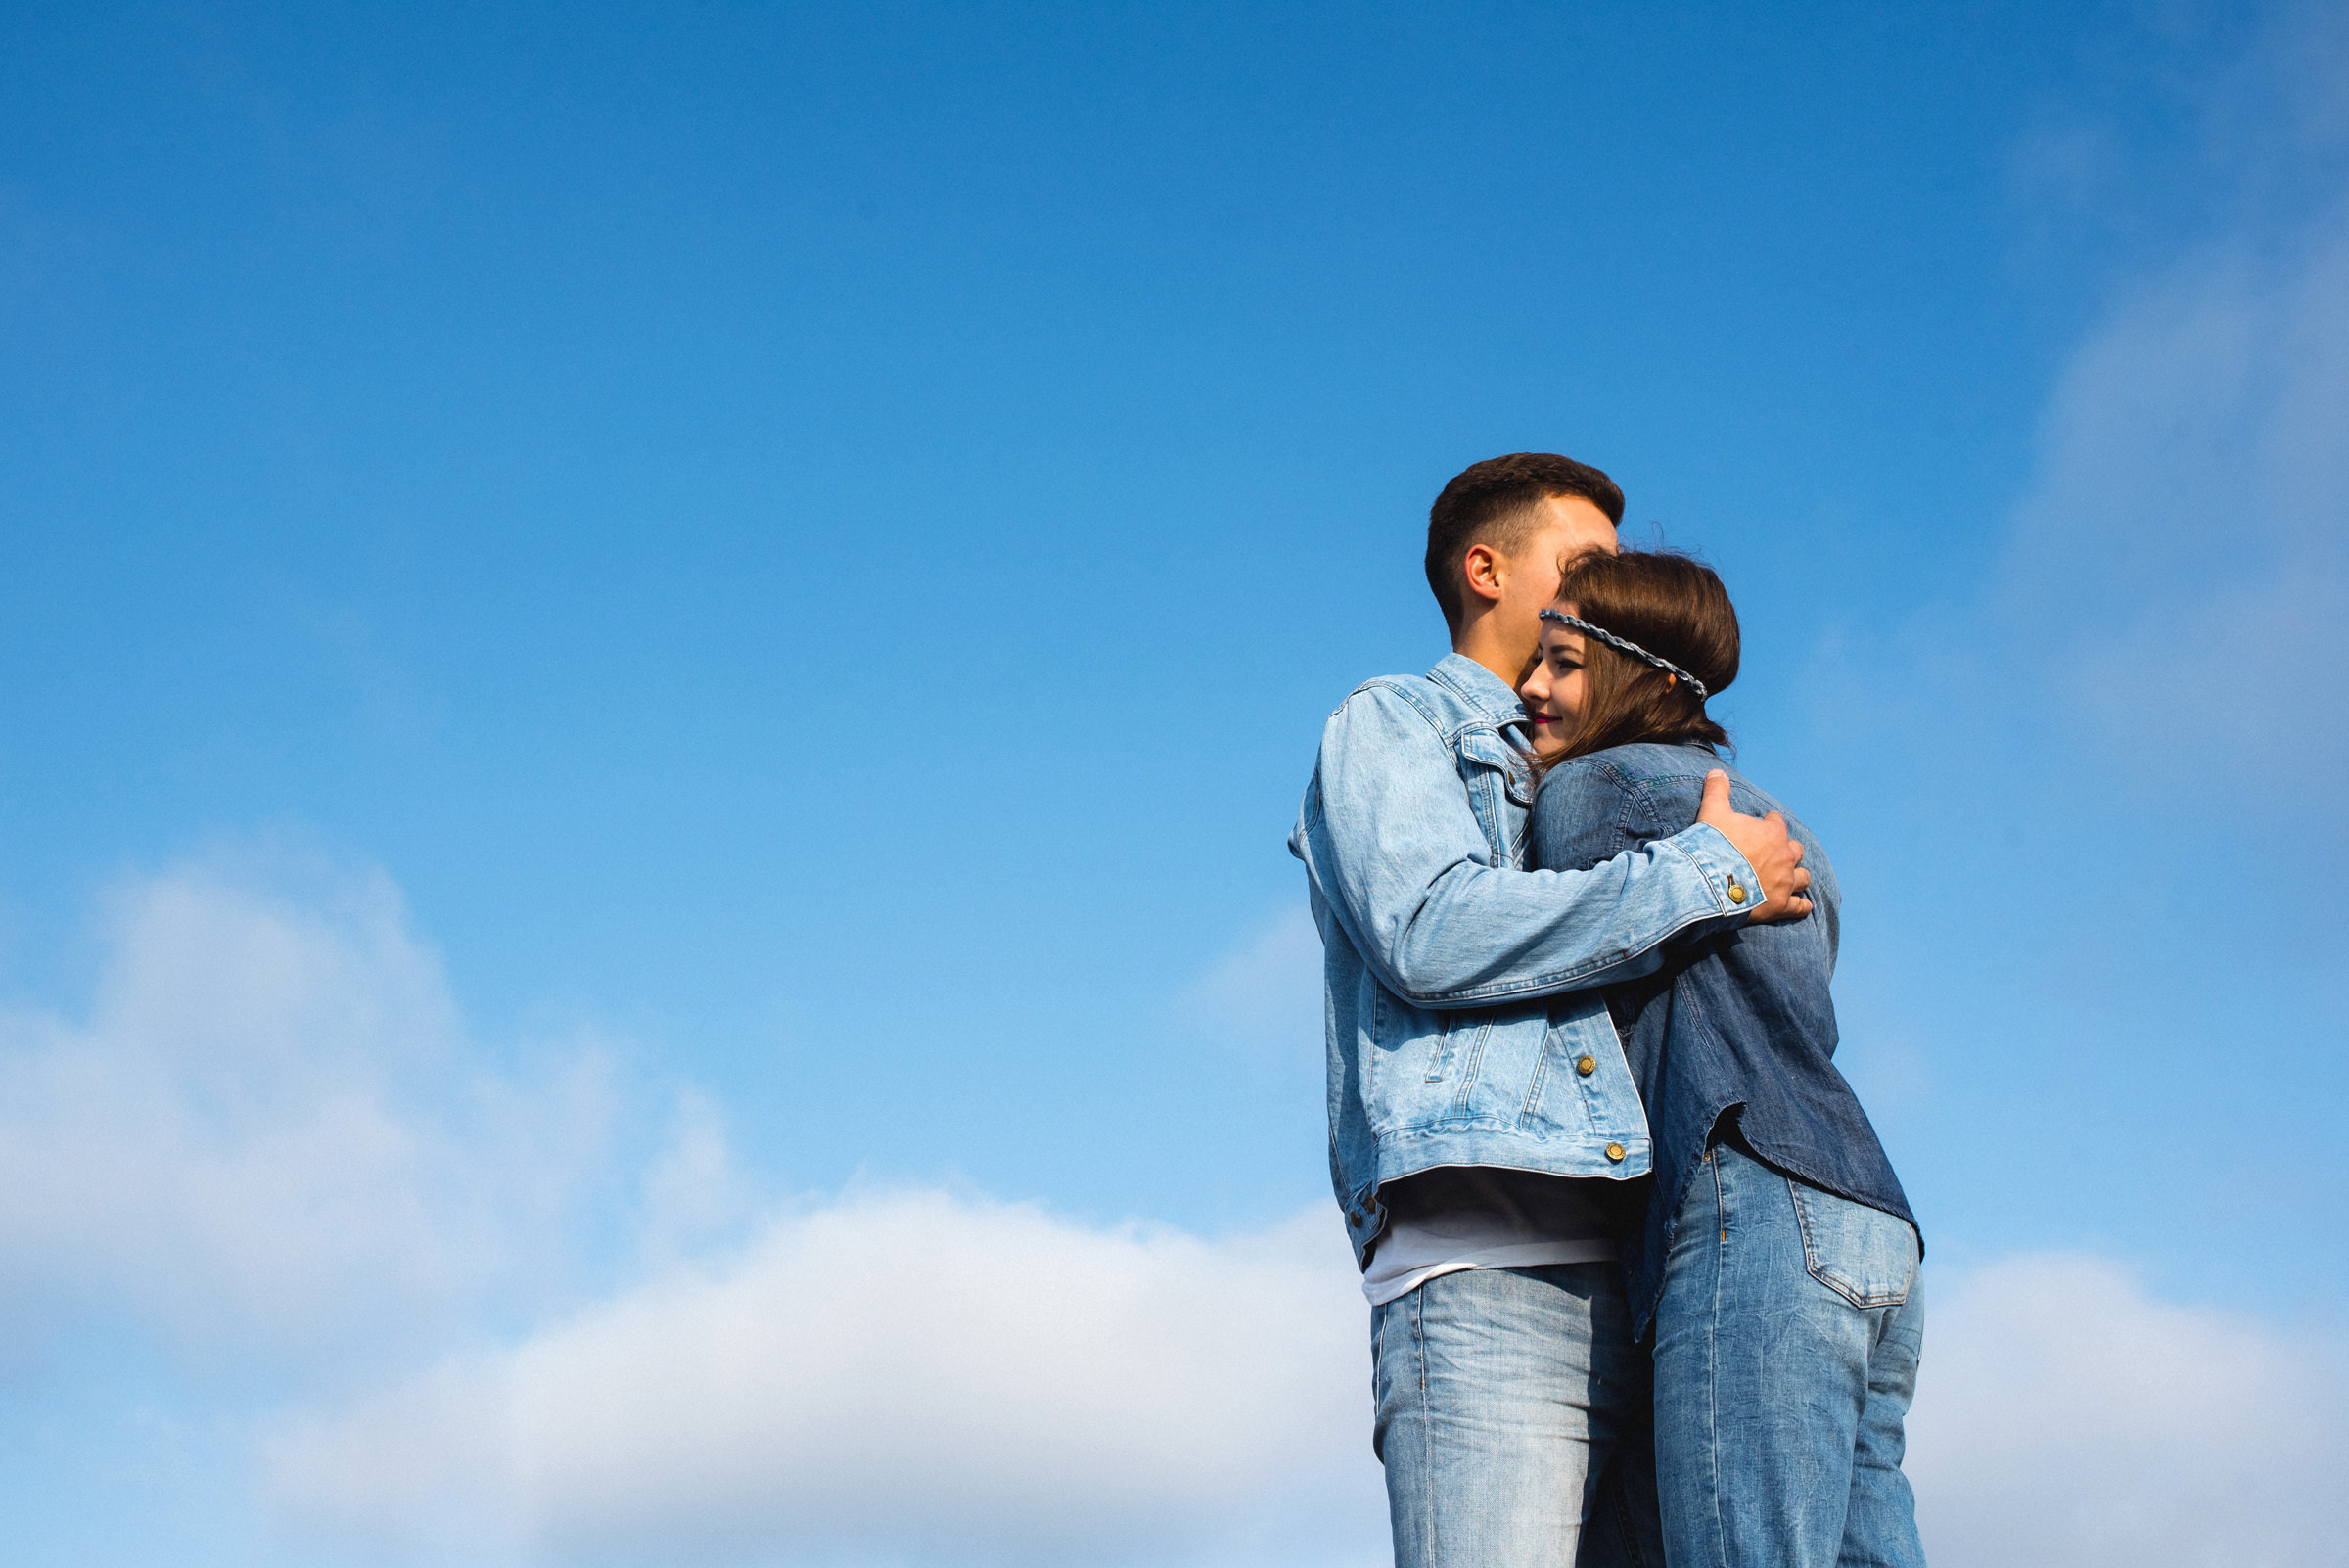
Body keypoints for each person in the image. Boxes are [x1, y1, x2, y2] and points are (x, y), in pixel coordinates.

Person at [1288, 453, 1816, 1568]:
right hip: (1486, 1281)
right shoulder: (1397, 724)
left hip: (1655, 1279)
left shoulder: (1611, 763)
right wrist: (1705, 876)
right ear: (1485, 570)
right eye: (1583, 567)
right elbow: (1430, 931)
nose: (1609, 593)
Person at [1522, 547, 1926, 1568]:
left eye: (1564, 663)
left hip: (1749, 1207)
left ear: (1648, 678)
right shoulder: (1782, 823)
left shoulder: (1592, 789)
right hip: (1870, 1222)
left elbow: (1534, 951)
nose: (1532, 688)